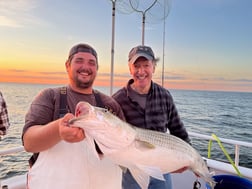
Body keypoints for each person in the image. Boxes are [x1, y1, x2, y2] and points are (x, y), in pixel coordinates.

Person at [22, 43, 125, 189]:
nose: (85, 67)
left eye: (91, 63)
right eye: (79, 61)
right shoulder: (50, 97)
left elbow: (124, 146)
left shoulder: (110, 104)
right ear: (67, 65)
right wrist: (58, 130)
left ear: (97, 69)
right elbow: (29, 142)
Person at [112, 45, 191, 189]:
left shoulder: (165, 95)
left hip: (162, 169)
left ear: (153, 67)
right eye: (136, 66)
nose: (141, 71)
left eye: (146, 65)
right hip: (132, 171)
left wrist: (190, 157)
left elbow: (178, 129)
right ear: (130, 69)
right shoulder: (117, 100)